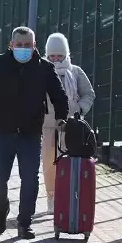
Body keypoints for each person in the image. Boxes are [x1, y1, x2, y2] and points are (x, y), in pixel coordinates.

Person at [0, 26, 69, 240]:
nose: (23, 49)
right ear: (11, 45)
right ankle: (2, 208)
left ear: (34, 46)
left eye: (28, 45)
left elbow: (59, 95)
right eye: (19, 45)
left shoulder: (44, 68)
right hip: (2, 132)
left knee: (30, 179)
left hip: (30, 134)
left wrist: (62, 117)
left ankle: (24, 223)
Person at [42, 33, 95, 214]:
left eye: (59, 55)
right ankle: (52, 197)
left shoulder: (76, 72)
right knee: (49, 162)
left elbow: (89, 94)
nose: (56, 59)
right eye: (52, 56)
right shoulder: (41, 71)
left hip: (72, 125)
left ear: (66, 54)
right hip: (48, 126)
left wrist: (80, 109)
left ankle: (71, 195)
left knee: (72, 161)